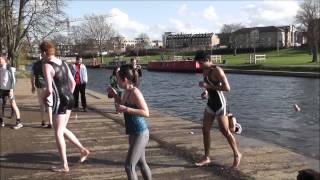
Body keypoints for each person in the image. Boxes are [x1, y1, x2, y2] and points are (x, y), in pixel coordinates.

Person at [41, 41, 90, 172]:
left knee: (58, 132)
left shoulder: (47, 65)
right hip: (70, 97)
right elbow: (73, 83)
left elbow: (50, 90)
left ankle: (64, 165)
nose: (41, 56)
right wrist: (67, 95)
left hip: (60, 100)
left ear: (45, 53)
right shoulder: (63, 63)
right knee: (62, 129)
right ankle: (83, 150)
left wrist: (44, 98)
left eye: (41, 53)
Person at [195, 55, 242, 168]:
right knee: (205, 129)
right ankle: (207, 157)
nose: (199, 65)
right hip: (211, 103)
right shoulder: (205, 70)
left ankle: (237, 154)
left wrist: (208, 86)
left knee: (225, 131)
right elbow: (209, 87)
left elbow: (227, 88)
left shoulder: (217, 71)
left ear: (207, 60)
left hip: (221, 104)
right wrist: (205, 92)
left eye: (200, 63)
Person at [107, 64, 152, 180]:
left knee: (129, 166)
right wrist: (115, 95)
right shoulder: (126, 91)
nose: (116, 81)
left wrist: (127, 109)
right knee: (141, 163)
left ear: (125, 80)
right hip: (133, 132)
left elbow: (146, 112)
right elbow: (120, 106)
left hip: (141, 133)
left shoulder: (135, 92)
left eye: (118, 79)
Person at [0, 52, 23, 129]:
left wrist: (12, 90)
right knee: (1, 105)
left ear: (4, 59)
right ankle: (1, 121)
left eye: (0, 58)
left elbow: (13, 80)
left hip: (9, 90)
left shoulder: (9, 68)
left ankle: (19, 122)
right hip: (2, 90)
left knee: (13, 104)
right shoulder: (0, 68)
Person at [30, 57, 53, 128]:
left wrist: (33, 86)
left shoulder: (36, 64)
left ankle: (43, 121)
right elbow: (53, 75)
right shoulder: (49, 63)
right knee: (49, 104)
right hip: (47, 86)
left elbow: (32, 75)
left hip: (39, 86)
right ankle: (50, 122)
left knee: (42, 104)